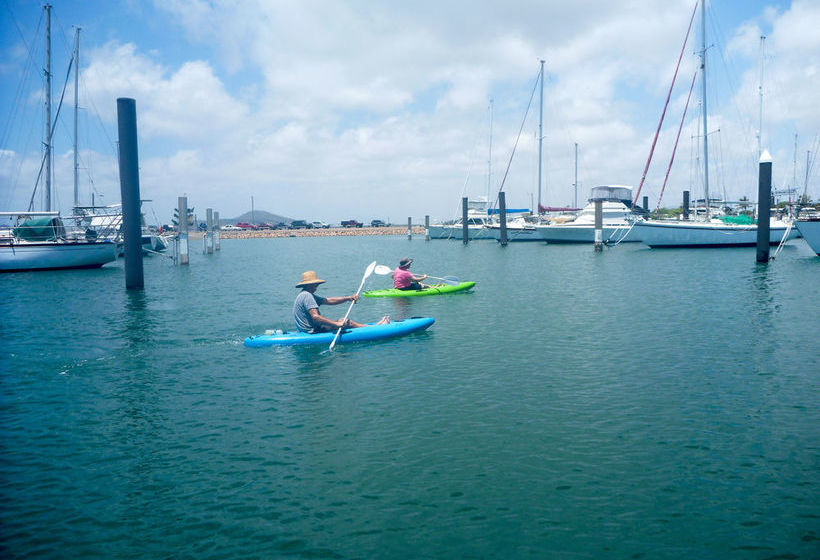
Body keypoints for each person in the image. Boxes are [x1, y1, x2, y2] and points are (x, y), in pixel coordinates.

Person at [293, 270, 388, 333]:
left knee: (341, 321)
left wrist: (348, 298)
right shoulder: (307, 296)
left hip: (307, 329)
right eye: (315, 284)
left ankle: (372, 327)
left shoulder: (305, 294)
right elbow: (315, 317)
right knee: (346, 322)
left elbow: (328, 300)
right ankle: (376, 328)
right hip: (313, 331)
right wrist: (336, 324)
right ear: (308, 285)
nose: (317, 286)